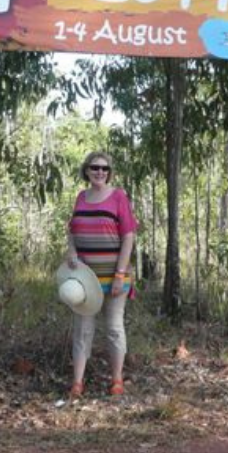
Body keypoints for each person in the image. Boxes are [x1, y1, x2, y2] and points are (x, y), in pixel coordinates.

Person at [65, 151, 138, 398]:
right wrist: (72, 252)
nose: (100, 172)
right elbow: (72, 232)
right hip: (84, 279)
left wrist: (120, 273)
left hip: (114, 275)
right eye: (95, 168)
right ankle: (77, 383)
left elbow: (128, 235)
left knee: (114, 328)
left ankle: (116, 380)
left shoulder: (118, 197)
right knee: (83, 329)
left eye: (105, 169)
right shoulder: (81, 198)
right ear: (86, 170)